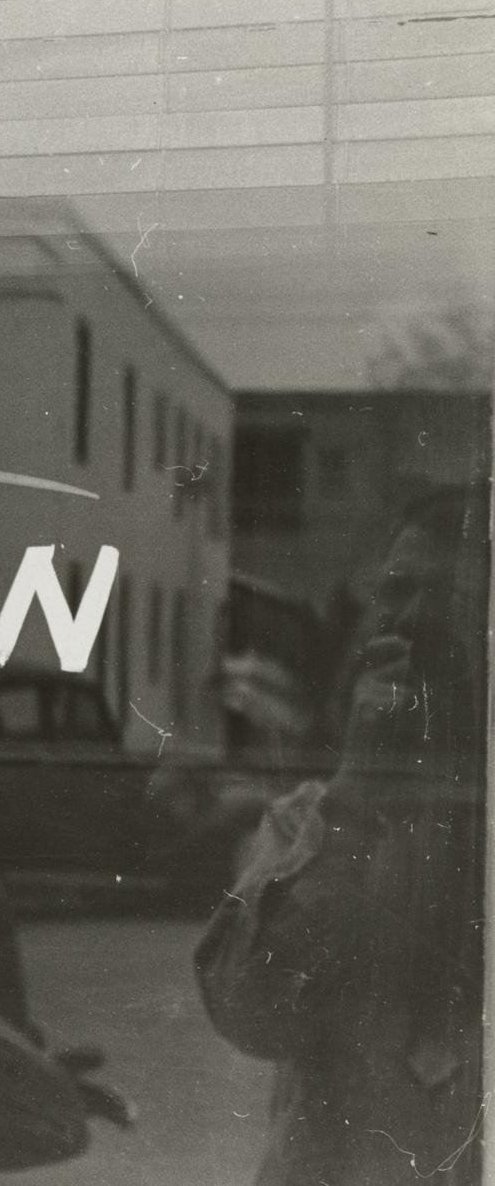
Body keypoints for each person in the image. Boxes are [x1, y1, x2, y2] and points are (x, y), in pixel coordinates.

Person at [195, 485, 489, 1186]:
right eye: (397, 592)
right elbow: (250, 1015)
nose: (410, 624)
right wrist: (356, 796)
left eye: (446, 599)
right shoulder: (310, 824)